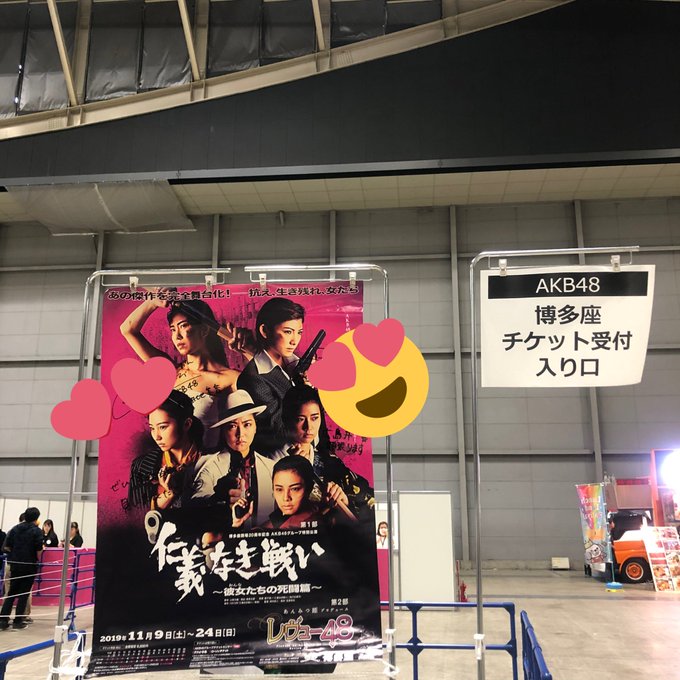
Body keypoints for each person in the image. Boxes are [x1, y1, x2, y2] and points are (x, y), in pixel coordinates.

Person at [120, 294, 255, 450]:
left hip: (209, 460)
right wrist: (153, 302)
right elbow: (127, 329)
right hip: (168, 461)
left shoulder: (229, 378)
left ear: (204, 330)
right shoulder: (169, 371)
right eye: (173, 329)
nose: (177, 336)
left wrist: (249, 350)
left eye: (183, 326)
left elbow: (267, 392)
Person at [274, 385, 375, 518]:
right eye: (300, 419)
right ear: (286, 420)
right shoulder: (271, 461)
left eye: (314, 418)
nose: (309, 427)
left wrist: (344, 499)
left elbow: (364, 497)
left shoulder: (328, 460)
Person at [191, 389, 276, 527]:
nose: (240, 434)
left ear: (255, 427)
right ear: (223, 431)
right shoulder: (208, 465)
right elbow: (196, 502)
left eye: (247, 424)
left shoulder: (271, 467)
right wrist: (217, 500)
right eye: (232, 426)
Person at [237, 297, 306, 453]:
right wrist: (304, 391)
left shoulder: (297, 364)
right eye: (288, 332)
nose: (294, 341)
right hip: (283, 459)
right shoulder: (254, 378)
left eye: (299, 332)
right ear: (265, 331)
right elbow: (279, 432)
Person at [128, 390, 204, 510]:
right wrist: (170, 494)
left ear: (186, 424)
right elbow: (135, 514)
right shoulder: (141, 466)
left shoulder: (214, 459)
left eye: (162, 427)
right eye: (152, 428)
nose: (156, 436)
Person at [1, 507, 43, 630]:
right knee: (24, 594)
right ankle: (18, 621)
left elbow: (6, 547)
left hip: (15, 564)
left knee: (11, 593)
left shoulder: (15, 529)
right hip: (29, 565)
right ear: (36, 518)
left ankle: (3, 620)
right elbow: (39, 550)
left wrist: (16, 553)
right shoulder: (36, 531)